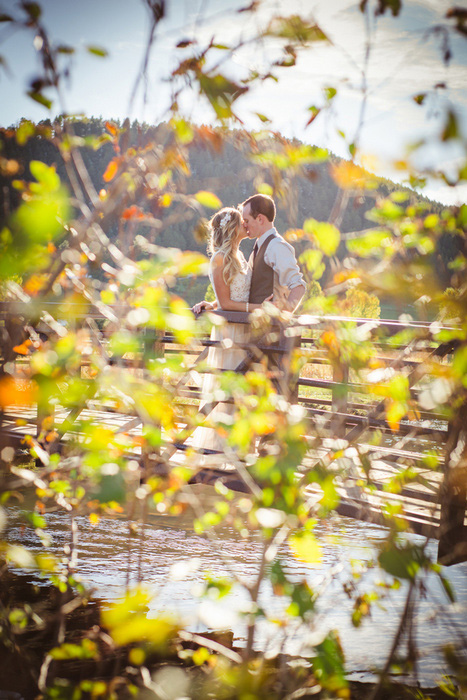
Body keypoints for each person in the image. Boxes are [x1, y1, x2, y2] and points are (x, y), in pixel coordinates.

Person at [190, 207, 268, 458]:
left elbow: (229, 296)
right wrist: (260, 308)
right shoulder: (219, 258)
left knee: (243, 390)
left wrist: (209, 304)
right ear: (233, 228)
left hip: (245, 332)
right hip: (230, 333)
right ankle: (219, 451)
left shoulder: (239, 255)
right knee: (228, 388)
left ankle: (241, 449)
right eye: (242, 222)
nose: (247, 225)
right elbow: (228, 303)